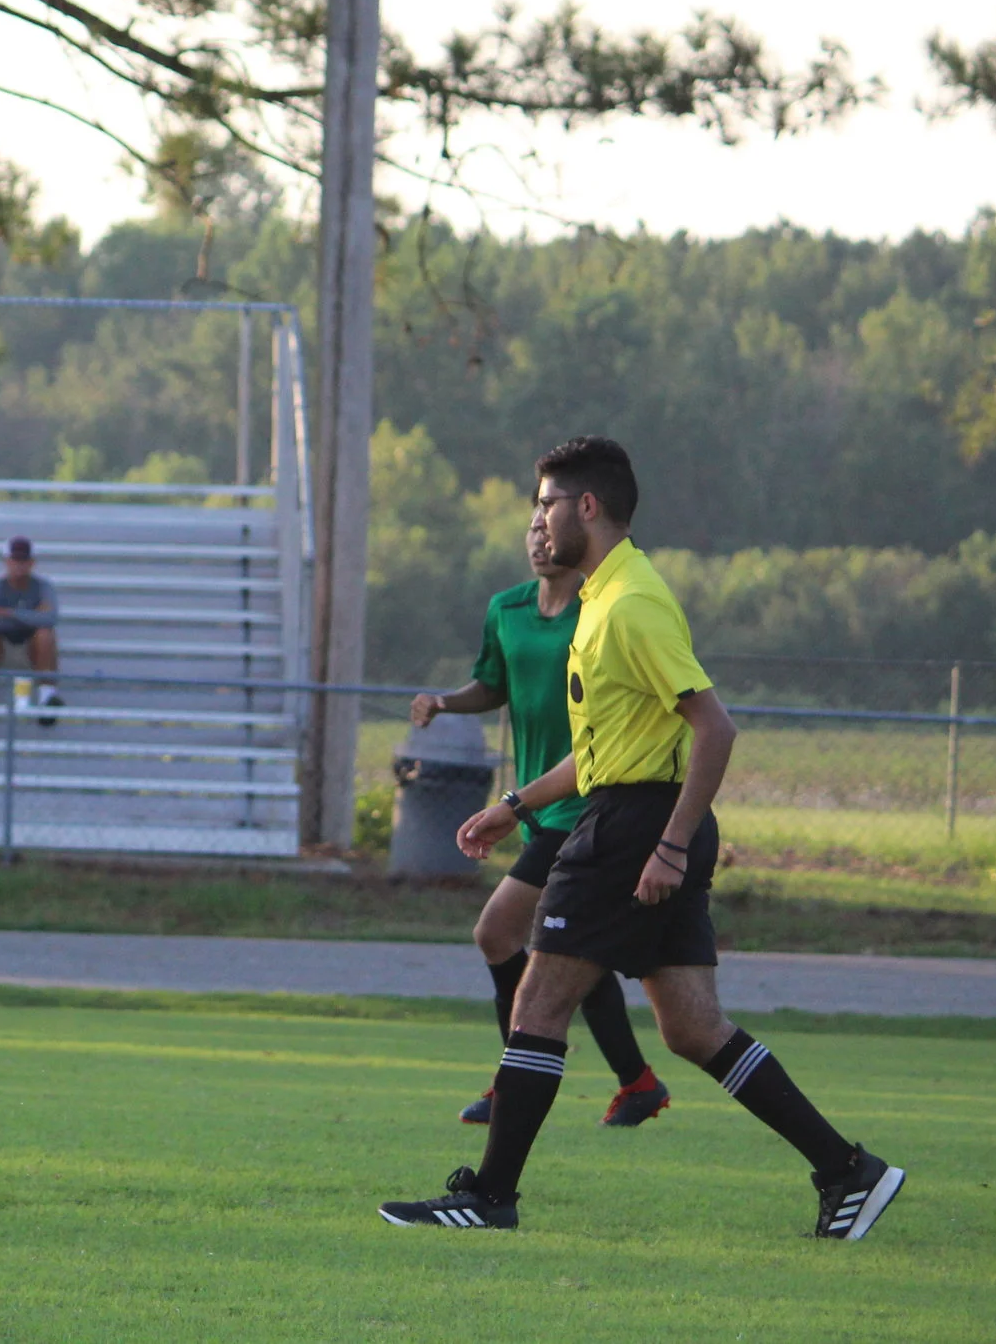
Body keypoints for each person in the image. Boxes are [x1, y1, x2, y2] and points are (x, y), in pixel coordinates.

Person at [381, 437, 903, 1238]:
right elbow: (601, 751)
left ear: (586, 506)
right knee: (693, 1027)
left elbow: (715, 728)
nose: (539, 517)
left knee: (540, 998)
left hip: (633, 828)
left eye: (547, 501)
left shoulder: (632, 602)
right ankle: (848, 1170)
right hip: (632, 814)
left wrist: (668, 843)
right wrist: (515, 804)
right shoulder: (603, 596)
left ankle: (489, 1196)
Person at [409, 522, 668, 1129]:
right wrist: (445, 701)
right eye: (530, 525)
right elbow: (493, 685)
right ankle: (638, 1082)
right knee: (566, 950)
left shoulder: (601, 609)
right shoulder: (507, 608)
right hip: (534, 801)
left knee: (497, 932)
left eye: (548, 522)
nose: (538, 536)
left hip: (584, 801)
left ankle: (511, 1086)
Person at [0, 536, 61, 723]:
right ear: (6, 562)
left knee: (45, 636)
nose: (19, 566)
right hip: (0, 646)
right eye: (15, 560)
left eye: (23, 561)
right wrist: (31, 616)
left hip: (32, 647)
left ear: (32, 563)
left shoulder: (44, 586)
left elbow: (50, 618)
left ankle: (47, 699)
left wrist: (6, 613)